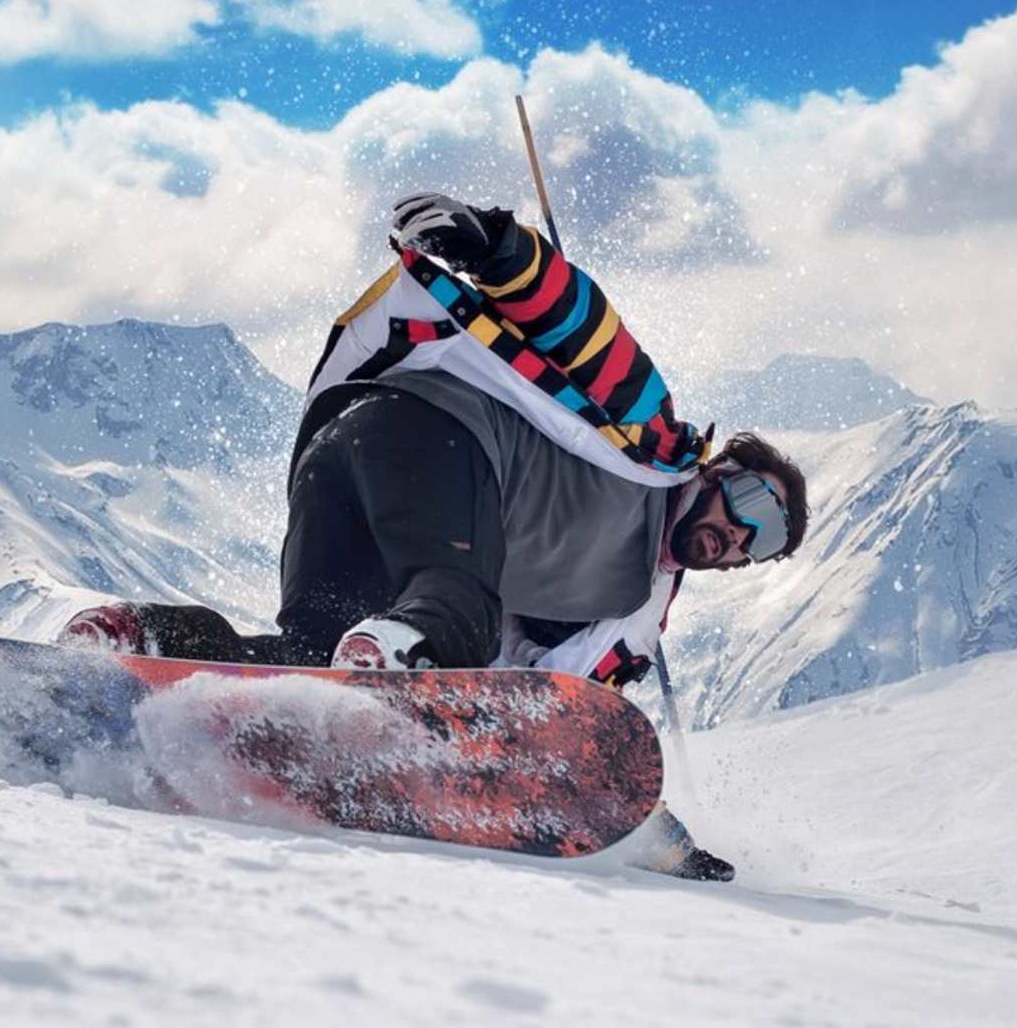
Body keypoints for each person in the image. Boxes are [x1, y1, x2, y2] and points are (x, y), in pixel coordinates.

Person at [64, 192, 810, 881]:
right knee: (455, 611)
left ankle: (141, 642)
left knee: (305, 666)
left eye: (763, 540)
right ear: (717, 470)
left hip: (338, 466)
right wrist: (494, 245)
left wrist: (666, 849)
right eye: (747, 501)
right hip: (432, 429)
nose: (737, 534)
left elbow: (569, 731)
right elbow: (584, 328)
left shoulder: (624, 621)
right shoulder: (650, 443)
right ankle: (397, 652)